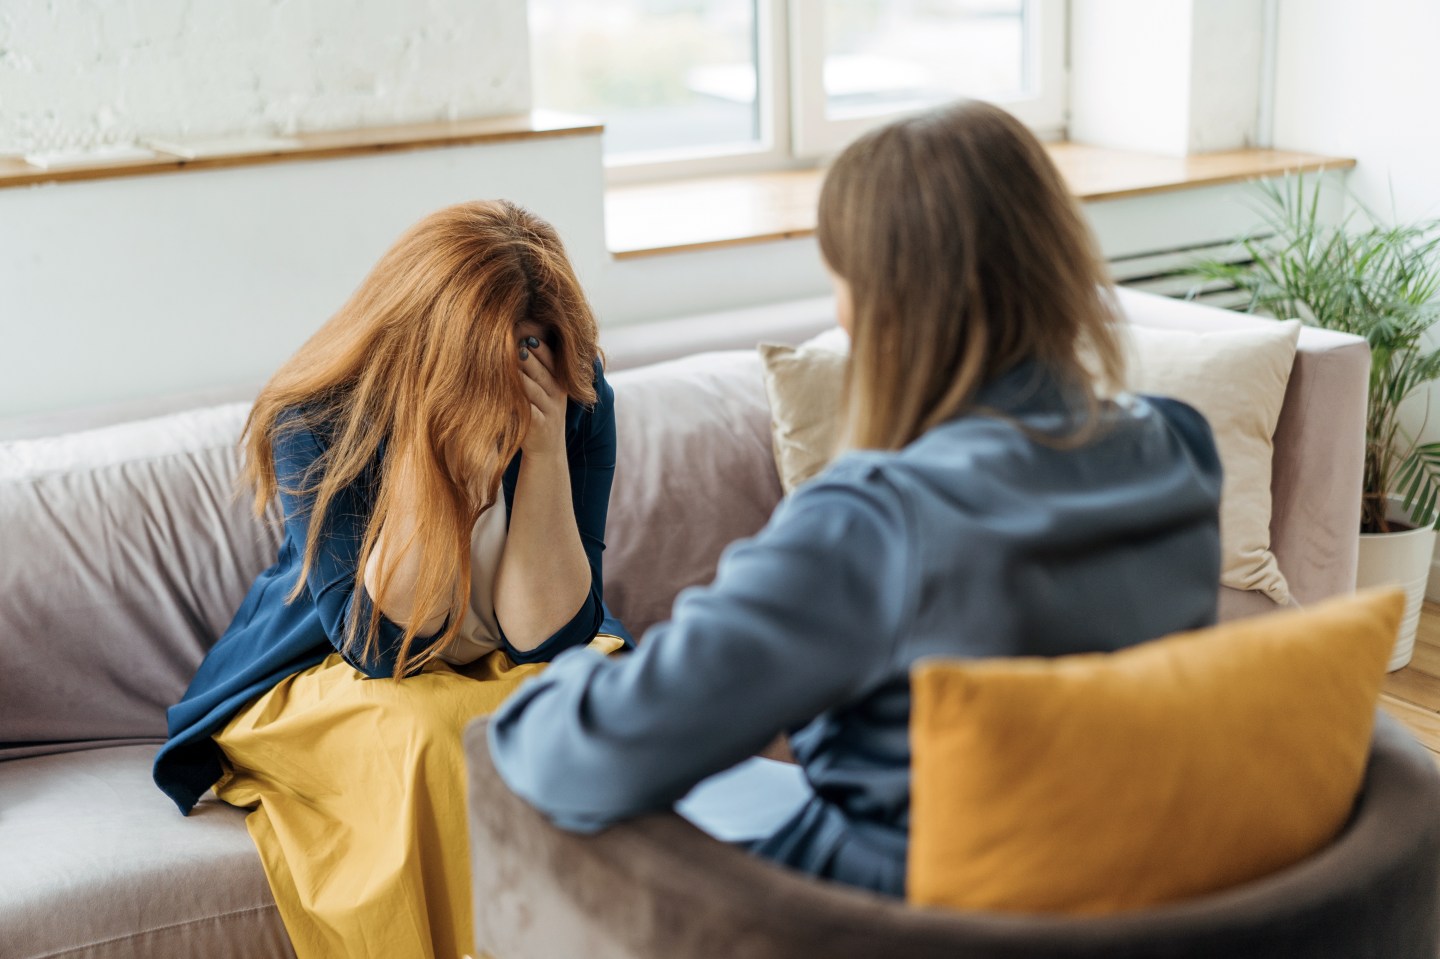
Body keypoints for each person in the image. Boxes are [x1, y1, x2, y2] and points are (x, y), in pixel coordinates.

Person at [488, 100, 1223, 896]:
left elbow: (583, 752)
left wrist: (546, 687)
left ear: (884, 305)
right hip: (1125, 897)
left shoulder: (879, 523)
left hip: (880, 915)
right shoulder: (1178, 448)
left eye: (841, 281)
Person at [151, 199, 630, 959]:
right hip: (332, 663)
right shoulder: (317, 415)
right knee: (435, 735)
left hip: (503, 656)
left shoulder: (573, 392)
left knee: (599, 710)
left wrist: (542, 454)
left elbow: (551, 639)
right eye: (492, 355)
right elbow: (381, 648)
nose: (517, 374)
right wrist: (428, 442)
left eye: (534, 345)